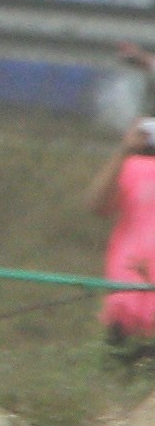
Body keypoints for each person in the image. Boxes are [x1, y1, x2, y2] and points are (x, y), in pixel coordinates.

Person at [95, 120, 155, 366]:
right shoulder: (133, 168)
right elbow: (98, 206)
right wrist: (124, 150)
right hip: (126, 300)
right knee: (118, 373)